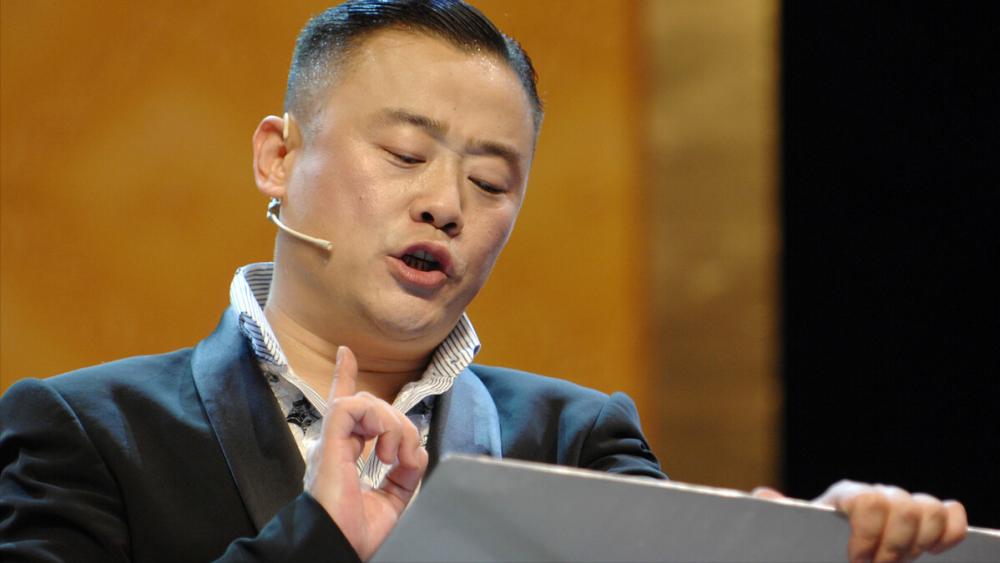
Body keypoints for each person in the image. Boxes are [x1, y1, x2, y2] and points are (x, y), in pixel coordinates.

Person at [0, 1, 968, 561]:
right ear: (277, 156)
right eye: (405, 153)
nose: (446, 204)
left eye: (492, 180)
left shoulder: (578, 439)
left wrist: (819, 544)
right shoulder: (83, 432)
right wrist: (320, 538)